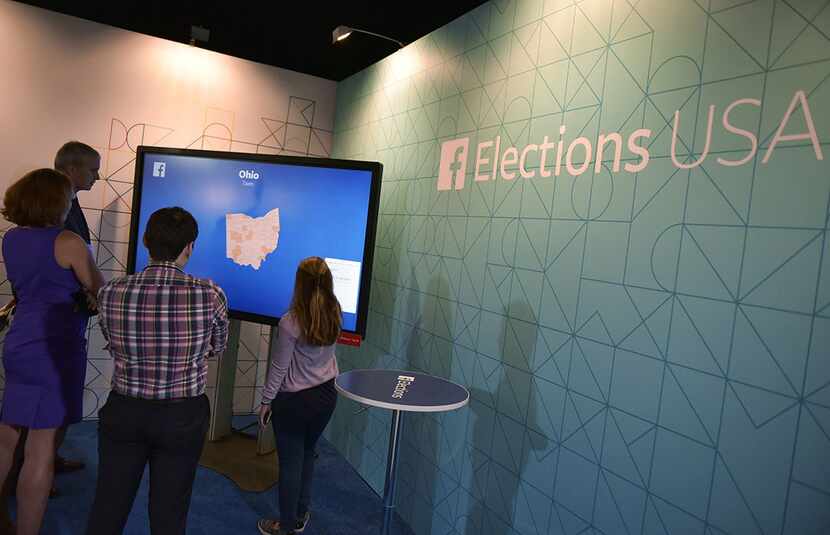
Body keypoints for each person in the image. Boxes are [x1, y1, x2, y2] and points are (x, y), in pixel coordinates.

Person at [86, 207, 228, 535]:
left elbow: (111, 338)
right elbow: (216, 348)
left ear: (146, 241)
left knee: (109, 502)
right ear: (190, 246)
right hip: (183, 415)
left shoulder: (111, 292)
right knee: (170, 510)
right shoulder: (211, 294)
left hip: (125, 410)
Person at [0, 169, 104, 535]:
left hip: (19, 344)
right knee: (41, 449)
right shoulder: (69, 242)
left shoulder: (11, 239)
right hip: (55, 348)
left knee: (7, 437)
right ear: (55, 201)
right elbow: (98, 288)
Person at [257, 257, 341, 535]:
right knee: (307, 454)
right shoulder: (336, 312)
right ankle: (301, 514)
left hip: (294, 403)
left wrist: (266, 401)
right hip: (327, 396)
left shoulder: (290, 322)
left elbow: (280, 367)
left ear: (300, 285)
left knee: (290, 465)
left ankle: (286, 526)